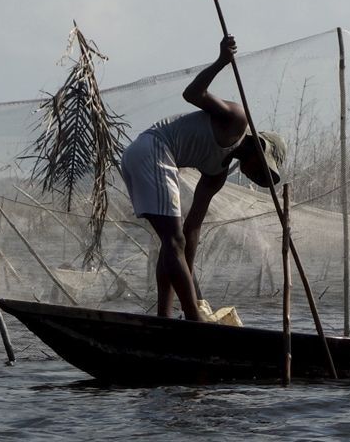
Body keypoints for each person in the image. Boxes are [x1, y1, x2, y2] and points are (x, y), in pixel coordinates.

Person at [119, 35, 287, 321]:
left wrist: (189, 270)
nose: (258, 177)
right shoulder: (236, 119)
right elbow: (193, 94)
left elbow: (193, 228)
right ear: (259, 148)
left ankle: (164, 317)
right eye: (262, 170)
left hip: (148, 158)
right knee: (173, 242)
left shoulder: (217, 174)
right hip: (153, 150)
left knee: (174, 243)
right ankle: (192, 318)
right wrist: (222, 60)